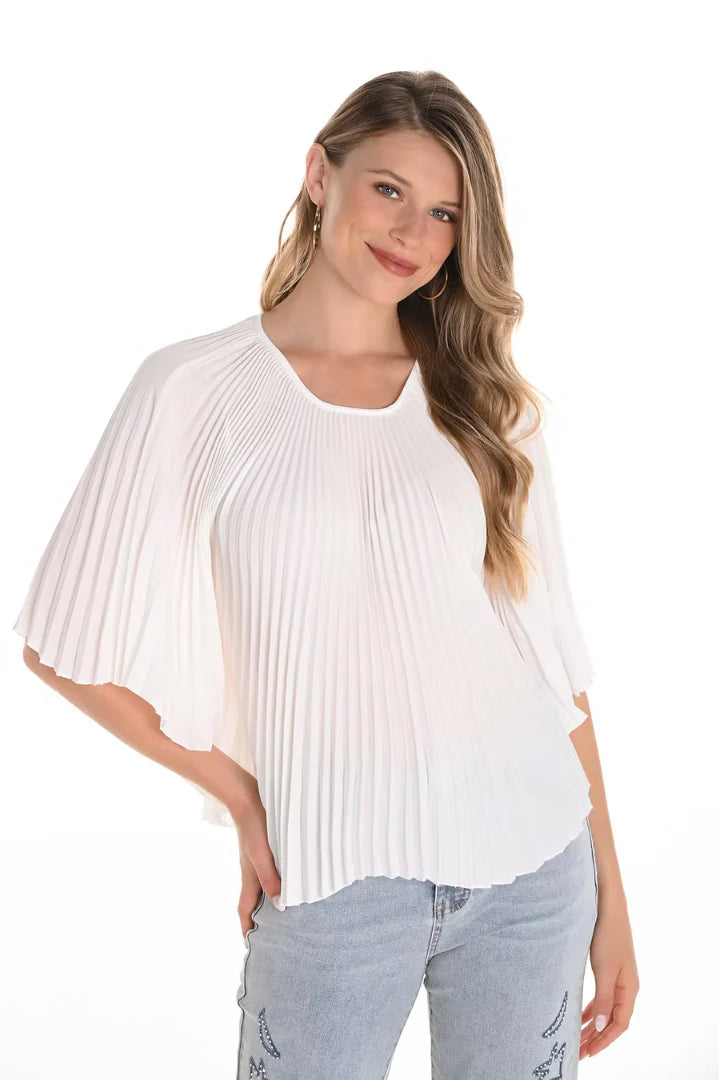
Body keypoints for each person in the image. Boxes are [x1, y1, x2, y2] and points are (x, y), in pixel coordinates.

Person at [13, 70, 638, 1079]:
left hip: (534, 877)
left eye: (445, 213)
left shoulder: (486, 403)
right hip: (330, 885)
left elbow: (554, 671)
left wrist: (614, 904)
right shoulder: (193, 390)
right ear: (319, 174)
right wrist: (242, 794)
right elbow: (60, 647)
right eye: (389, 189)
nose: (413, 232)